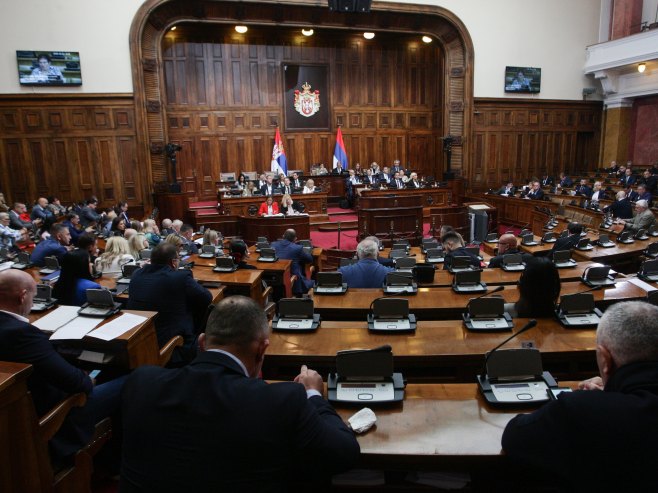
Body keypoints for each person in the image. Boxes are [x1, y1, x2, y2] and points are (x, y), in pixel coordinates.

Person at [120, 295, 359, 492]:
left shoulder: (141, 383)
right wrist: (313, 394)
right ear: (262, 349)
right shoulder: (283, 400)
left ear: (202, 343)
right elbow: (343, 454)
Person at [502, 301, 658, 491]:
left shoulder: (579, 410)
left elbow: (514, 436)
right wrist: (615, 393)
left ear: (605, 359)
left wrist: (598, 401)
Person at [0, 269, 124, 461]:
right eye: (33, 296)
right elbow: (78, 384)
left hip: (14, 418)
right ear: (22, 296)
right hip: (55, 417)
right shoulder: (21, 334)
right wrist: (87, 377)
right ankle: (115, 458)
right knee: (133, 379)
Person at [127, 243, 212, 361]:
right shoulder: (181, 277)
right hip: (172, 344)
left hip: (140, 341)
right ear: (173, 262)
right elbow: (207, 298)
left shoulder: (136, 274)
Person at [272, 229, 314, 295]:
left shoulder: (273, 245)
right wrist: (308, 252)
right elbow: (309, 260)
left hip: (274, 280)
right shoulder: (297, 248)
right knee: (313, 283)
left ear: (283, 236)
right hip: (294, 282)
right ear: (295, 239)